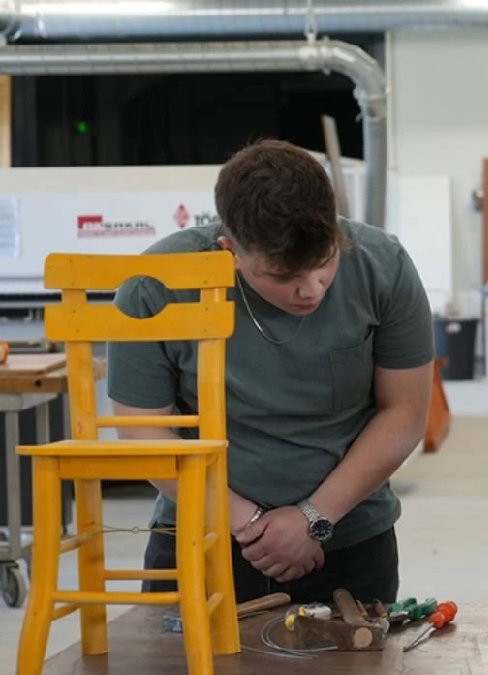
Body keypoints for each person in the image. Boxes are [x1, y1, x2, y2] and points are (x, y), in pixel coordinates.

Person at [107, 139, 434, 604]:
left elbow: (404, 413)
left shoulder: (385, 268)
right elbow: (144, 430)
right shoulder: (159, 285)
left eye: (324, 264)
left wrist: (313, 519)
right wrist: (252, 525)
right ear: (229, 250)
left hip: (347, 541)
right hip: (202, 536)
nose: (310, 290)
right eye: (282, 277)